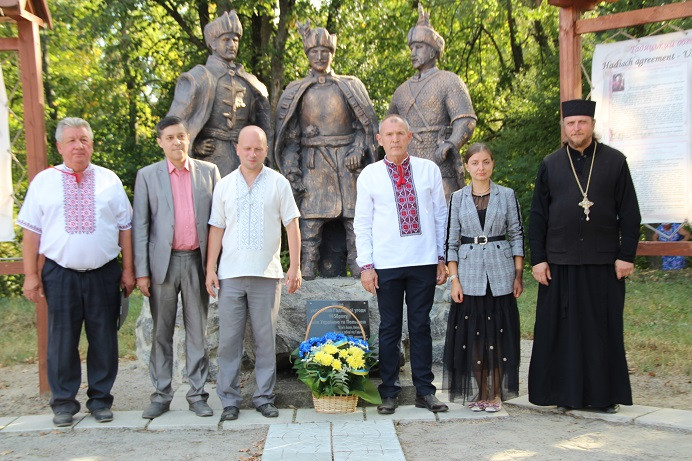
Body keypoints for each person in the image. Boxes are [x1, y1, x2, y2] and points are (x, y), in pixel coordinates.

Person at [17, 117, 135, 427]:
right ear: (59, 146)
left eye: (84, 139)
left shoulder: (110, 180)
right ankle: (64, 403)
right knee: (62, 339)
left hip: (103, 272)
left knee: (104, 338)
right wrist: (31, 275)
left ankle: (100, 400)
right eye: (71, 140)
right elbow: (31, 234)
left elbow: (126, 229)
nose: (78, 145)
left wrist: (128, 271)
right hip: (61, 273)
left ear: (92, 145)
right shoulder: (43, 182)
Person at [528, 99, 641, 413]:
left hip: (603, 262)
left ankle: (602, 397)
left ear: (592, 124)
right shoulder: (550, 164)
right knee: (560, 332)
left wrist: (626, 255)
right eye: (570, 123)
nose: (576, 128)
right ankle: (563, 395)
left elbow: (630, 214)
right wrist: (538, 259)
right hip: (559, 263)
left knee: (601, 330)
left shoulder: (615, 161)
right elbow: (537, 216)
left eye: (581, 122)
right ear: (564, 127)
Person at [354, 114, 449, 414]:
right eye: (388, 134)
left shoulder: (428, 171)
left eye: (400, 133)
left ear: (410, 137)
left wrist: (441, 257)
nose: (394, 139)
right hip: (387, 263)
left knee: (420, 326)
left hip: (423, 260)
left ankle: (425, 391)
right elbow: (362, 223)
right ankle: (389, 392)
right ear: (379, 140)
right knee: (390, 328)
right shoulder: (369, 175)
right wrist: (366, 265)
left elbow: (440, 216)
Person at [206, 125, 301, 421]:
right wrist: (210, 267)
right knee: (230, 341)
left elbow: (292, 226)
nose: (252, 153)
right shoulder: (224, 185)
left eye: (258, 148)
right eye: (247, 148)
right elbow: (217, 228)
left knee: (265, 339)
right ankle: (230, 401)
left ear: (265, 149)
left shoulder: (278, 183)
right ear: (237, 148)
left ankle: (263, 397)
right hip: (230, 275)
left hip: (267, 274)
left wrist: (294, 266)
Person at [274, 20, 378, 279]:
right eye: (314, 52)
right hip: (314, 160)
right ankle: (307, 262)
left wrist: (357, 149)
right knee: (310, 215)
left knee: (353, 214)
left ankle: (358, 260)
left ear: (332, 53)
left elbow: (364, 126)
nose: (319, 56)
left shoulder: (349, 85)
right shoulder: (297, 91)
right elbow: (291, 135)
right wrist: (291, 168)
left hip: (346, 160)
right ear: (307, 55)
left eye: (325, 51)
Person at [132, 116, 220, 419]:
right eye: (169, 138)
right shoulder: (147, 176)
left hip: (197, 260)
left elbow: (218, 222)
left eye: (181, 136)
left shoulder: (209, 173)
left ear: (189, 138)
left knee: (198, 331)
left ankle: (197, 394)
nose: (176, 142)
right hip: (162, 264)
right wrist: (141, 271)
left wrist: (215, 266)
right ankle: (161, 394)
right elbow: (140, 225)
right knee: (161, 331)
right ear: (160, 142)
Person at [443, 143, 524, 413]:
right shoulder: (457, 198)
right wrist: (454, 279)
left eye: (486, 162)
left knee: (499, 335)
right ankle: (480, 391)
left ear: (492, 164)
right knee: (474, 337)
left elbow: (517, 234)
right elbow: (451, 242)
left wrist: (518, 274)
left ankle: (496, 394)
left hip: (500, 273)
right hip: (469, 274)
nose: (481, 167)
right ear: (467, 166)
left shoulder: (507, 195)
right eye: (475, 162)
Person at [167, 10, 271, 178]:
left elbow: (259, 125)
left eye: (235, 40)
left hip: (245, 159)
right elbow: (174, 124)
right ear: (213, 44)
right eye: (226, 40)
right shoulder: (197, 78)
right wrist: (194, 146)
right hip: (210, 159)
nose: (232, 45)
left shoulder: (250, 82)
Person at [388, 3, 476, 201]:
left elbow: (466, 120)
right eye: (411, 47)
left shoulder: (448, 80)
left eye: (418, 47)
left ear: (433, 51)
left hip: (440, 165)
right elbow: (386, 129)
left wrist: (451, 143)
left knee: (447, 219)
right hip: (407, 166)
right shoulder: (401, 91)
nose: (413, 52)